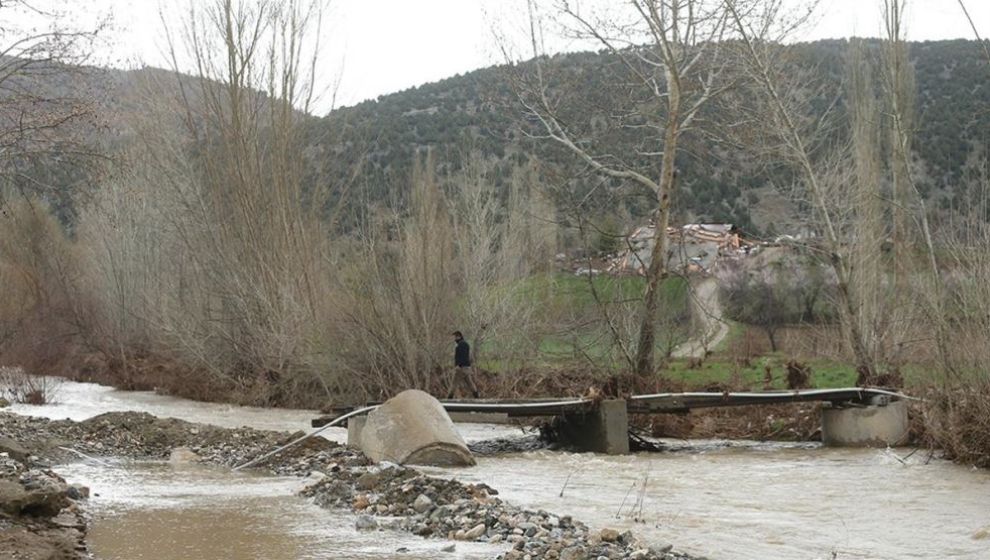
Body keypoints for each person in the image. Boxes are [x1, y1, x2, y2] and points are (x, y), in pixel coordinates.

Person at [448, 330, 480, 399]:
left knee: (454, 383)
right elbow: (467, 356)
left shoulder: (458, 346)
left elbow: (459, 357)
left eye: (455, 337)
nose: (454, 339)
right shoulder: (467, 345)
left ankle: (449, 399)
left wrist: (457, 365)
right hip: (467, 367)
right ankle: (477, 397)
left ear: (459, 336)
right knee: (470, 383)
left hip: (460, 368)